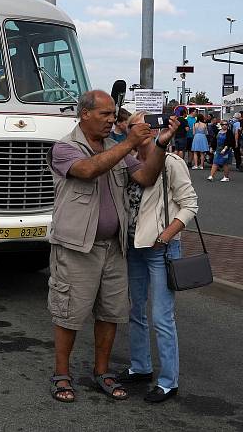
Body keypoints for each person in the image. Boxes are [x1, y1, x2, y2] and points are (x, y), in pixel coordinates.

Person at [47, 90, 177, 403]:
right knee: (69, 313)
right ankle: (61, 374)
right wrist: (130, 142)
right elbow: (89, 170)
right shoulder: (64, 147)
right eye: (105, 114)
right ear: (84, 114)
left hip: (114, 247)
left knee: (110, 313)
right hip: (77, 246)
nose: (110, 120)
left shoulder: (115, 148)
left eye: (113, 114)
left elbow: (146, 176)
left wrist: (159, 144)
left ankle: (102, 372)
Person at [120, 112, 198, 403]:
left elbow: (190, 206)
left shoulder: (171, 162)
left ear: (152, 130)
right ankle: (141, 367)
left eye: (141, 124)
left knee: (161, 317)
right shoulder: (128, 160)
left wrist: (167, 235)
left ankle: (168, 382)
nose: (134, 129)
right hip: (133, 248)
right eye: (130, 125)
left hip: (161, 250)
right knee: (135, 311)